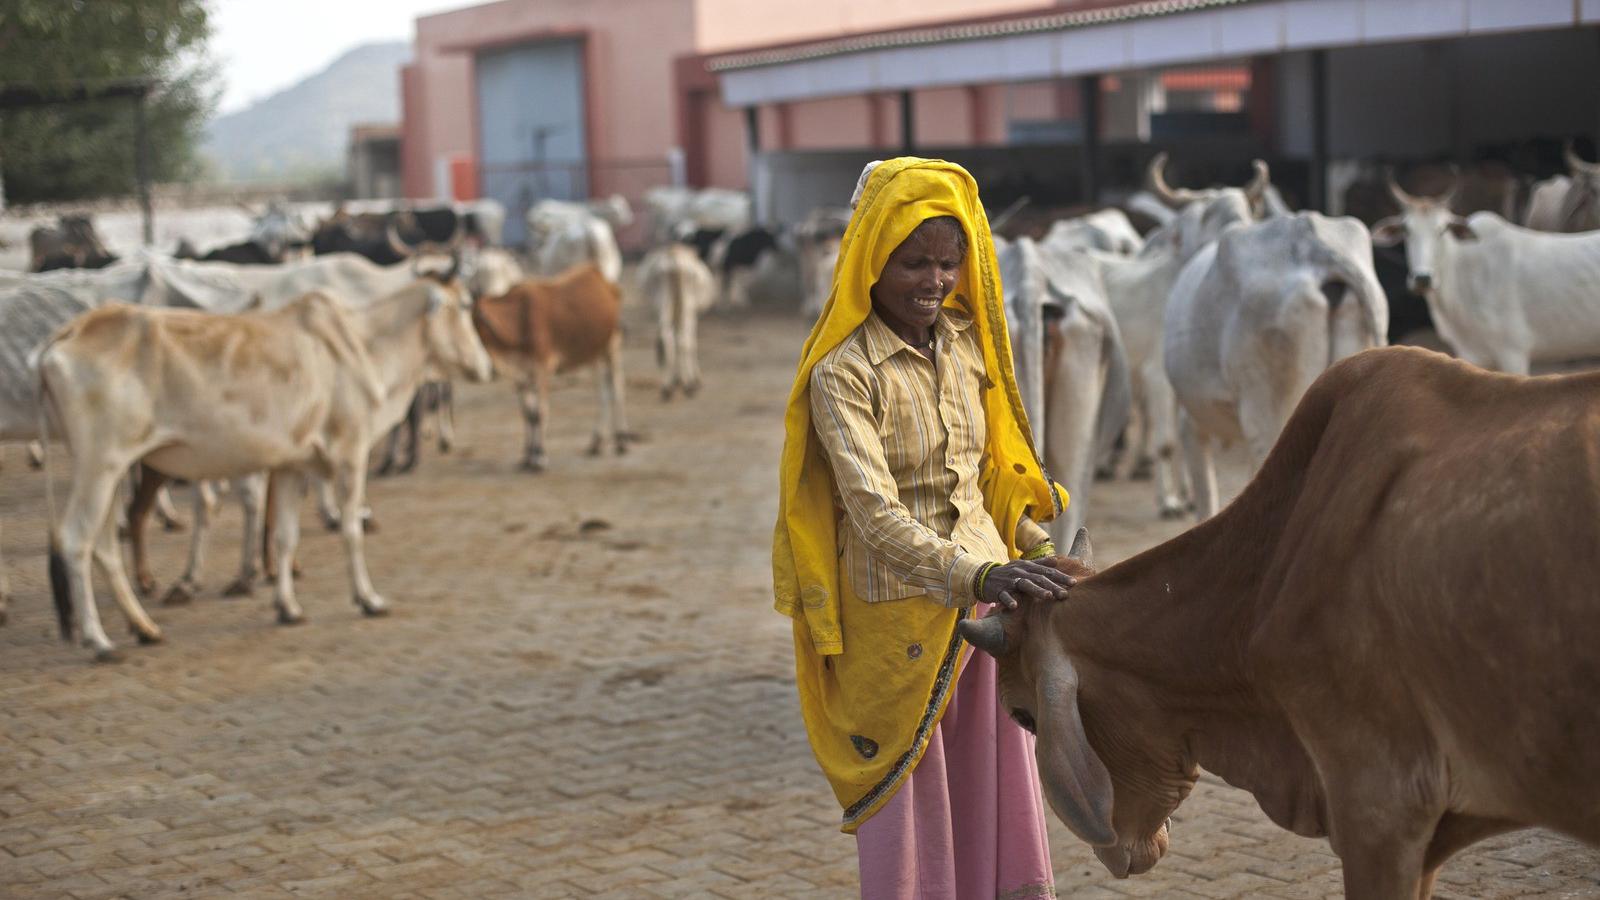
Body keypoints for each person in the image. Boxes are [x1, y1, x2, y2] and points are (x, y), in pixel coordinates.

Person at [772, 157, 1074, 899]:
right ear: (872, 258)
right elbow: (874, 516)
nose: (933, 282)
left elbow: (986, 479)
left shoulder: (969, 346)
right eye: (913, 263)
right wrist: (980, 573)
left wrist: (1035, 548)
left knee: (988, 792)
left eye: (948, 263)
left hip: (985, 617)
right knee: (908, 807)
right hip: (896, 624)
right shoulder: (842, 373)